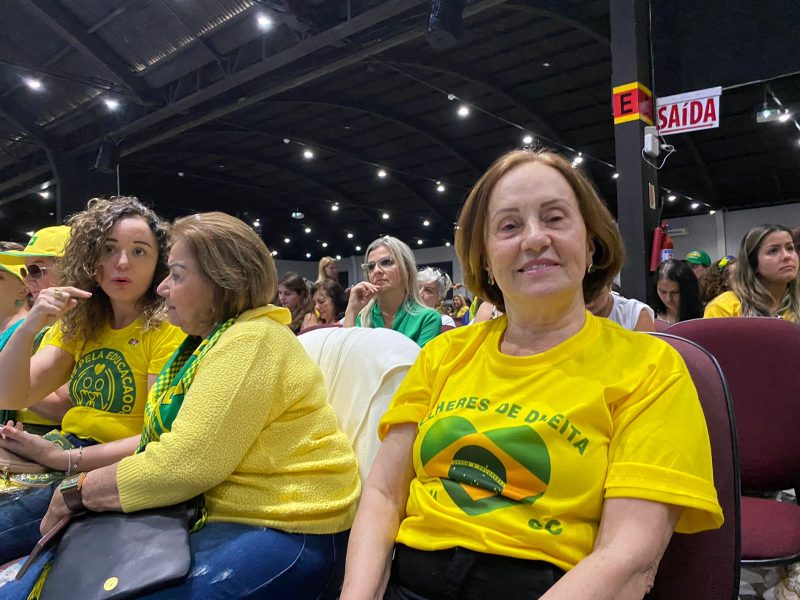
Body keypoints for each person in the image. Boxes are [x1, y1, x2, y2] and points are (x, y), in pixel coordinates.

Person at [340, 149, 722, 600]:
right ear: (484, 260)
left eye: (556, 218)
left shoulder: (650, 366)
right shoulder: (444, 354)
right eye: (509, 226)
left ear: (592, 243)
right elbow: (384, 495)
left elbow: (629, 557)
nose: (534, 238)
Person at [2, 211, 361, 598]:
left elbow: (183, 462)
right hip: (211, 509)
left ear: (222, 282)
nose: (162, 288)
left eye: (175, 273)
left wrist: (75, 486)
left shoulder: (251, 340)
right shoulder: (204, 341)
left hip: (288, 523)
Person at [0, 197, 185, 564]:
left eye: (139, 251)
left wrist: (63, 457)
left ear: (158, 263)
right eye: (108, 248)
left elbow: (156, 438)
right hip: (58, 452)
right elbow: (12, 392)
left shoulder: (169, 327)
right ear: (90, 258)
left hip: (108, 471)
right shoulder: (81, 320)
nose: (121, 262)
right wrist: (32, 323)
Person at [0, 226, 73, 434]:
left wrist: (9, 378)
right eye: (24, 272)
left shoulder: (78, 328)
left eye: (35, 270)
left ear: (72, 267)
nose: (28, 279)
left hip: (49, 439)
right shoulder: (48, 327)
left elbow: (60, 406)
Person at [344, 236, 441, 347]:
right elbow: (344, 359)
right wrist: (351, 310)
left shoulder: (428, 318)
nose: (376, 271)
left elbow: (420, 364)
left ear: (407, 268)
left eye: (386, 262)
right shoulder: (361, 317)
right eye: (370, 267)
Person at [704, 224, 799, 321]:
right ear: (753, 263)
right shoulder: (724, 307)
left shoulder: (797, 303)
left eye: (790, 248)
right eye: (773, 251)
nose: (787, 256)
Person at [585, 282, 655, 331]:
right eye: (583, 296)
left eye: (596, 294)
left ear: (609, 281)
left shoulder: (636, 315)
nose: (589, 303)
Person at [651, 259, 703, 325]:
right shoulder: (649, 315)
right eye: (663, 292)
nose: (668, 299)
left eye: (675, 292)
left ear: (688, 290)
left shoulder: (704, 315)